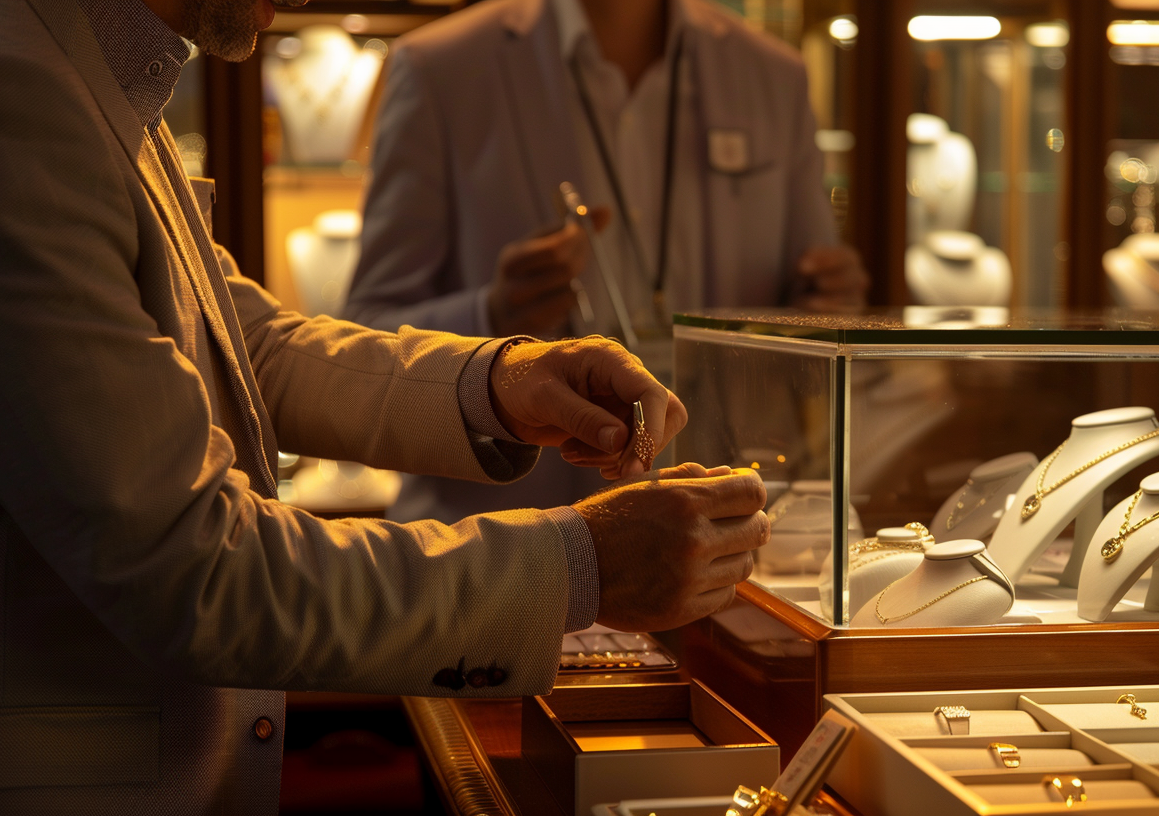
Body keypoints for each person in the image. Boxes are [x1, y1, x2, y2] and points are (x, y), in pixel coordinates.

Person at [0, 0, 770, 811]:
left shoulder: (84, 65)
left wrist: (501, 381)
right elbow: (194, 567)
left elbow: (241, 340)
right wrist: (580, 567)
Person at [345, 0, 869, 524]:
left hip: (728, 534)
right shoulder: (442, 68)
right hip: (497, 553)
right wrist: (492, 319)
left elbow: (815, 308)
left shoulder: (772, 74)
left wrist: (827, 306)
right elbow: (364, 338)